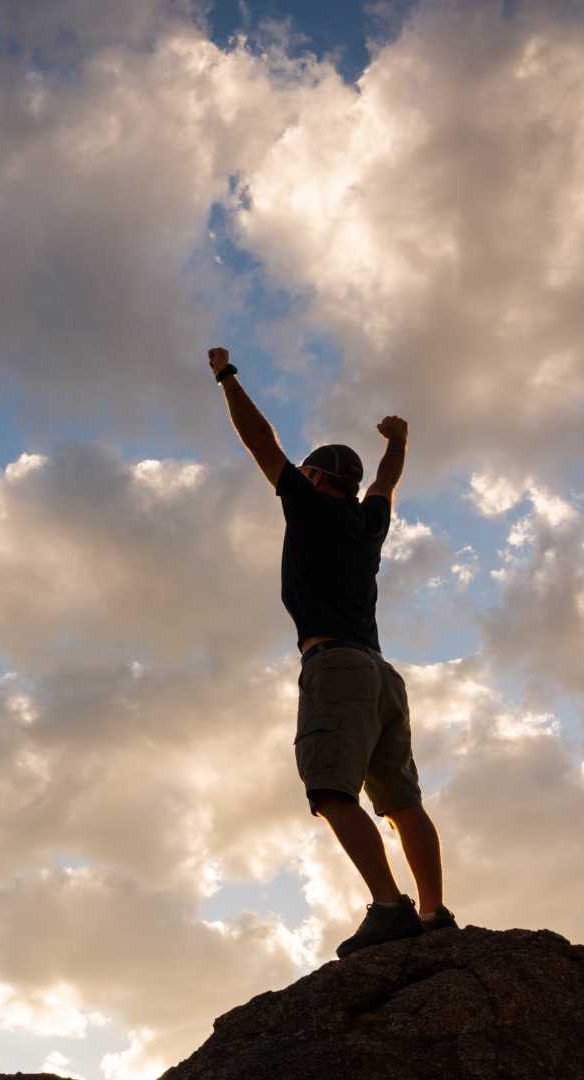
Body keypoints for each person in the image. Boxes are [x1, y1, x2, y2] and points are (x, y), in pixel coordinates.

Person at [206, 345, 456, 958]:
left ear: (317, 480)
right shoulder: (369, 524)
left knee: (331, 791)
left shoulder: (309, 505)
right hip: (381, 674)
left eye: (308, 473)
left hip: (336, 667)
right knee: (401, 800)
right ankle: (433, 912)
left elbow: (261, 440)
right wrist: (396, 440)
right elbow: (386, 481)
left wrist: (225, 376)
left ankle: (390, 908)